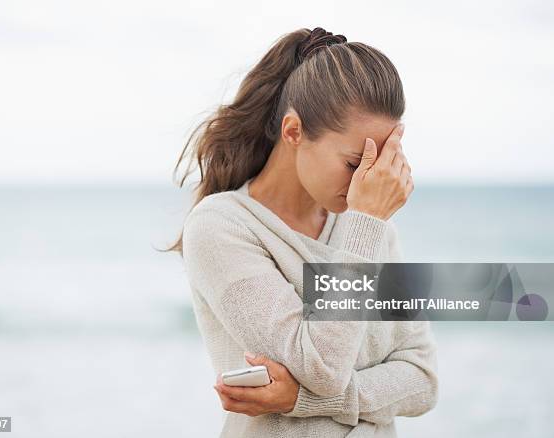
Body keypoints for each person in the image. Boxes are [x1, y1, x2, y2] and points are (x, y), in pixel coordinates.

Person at [168, 27, 438, 437]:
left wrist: (304, 400)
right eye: (354, 163)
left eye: (379, 162)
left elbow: (422, 380)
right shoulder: (220, 226)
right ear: (293, 131)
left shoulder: (371, 226)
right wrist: (366, 226)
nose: (367, 180)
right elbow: (323, 366)